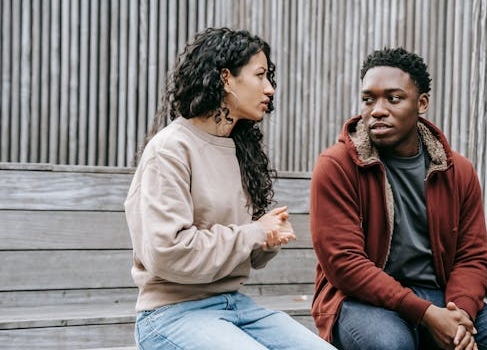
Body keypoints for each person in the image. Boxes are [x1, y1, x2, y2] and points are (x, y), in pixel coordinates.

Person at [310, 47, 487, 350]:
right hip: (360, 300)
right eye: (368, 99)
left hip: (439, 297)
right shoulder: (337, 165)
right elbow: (345, 264)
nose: (377, 110)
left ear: (422, 103)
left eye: (393, 98)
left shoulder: (457, 171)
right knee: (391, 346)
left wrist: (460, 315)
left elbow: (471, 256)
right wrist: (426, 315)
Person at [125, 27, 335, 350]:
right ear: (226, 78)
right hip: (170, 313)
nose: (270, 89)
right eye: (260, 75)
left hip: (233, 304)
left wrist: (267, 239)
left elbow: (240, 250)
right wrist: (253, 233)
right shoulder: (169, 150)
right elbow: (168, 253)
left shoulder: (239, 150)